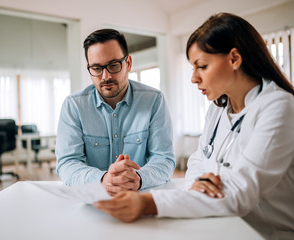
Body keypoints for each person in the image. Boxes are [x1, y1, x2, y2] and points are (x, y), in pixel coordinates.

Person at [94, 13, 294, 239]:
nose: (194, 78)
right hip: (220, 224)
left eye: (202, 66)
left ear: (234, 58)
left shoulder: (279, 107)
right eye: (192, 67)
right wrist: (198, 184)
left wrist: (148, 203)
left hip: (269, 233)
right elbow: (198, 162)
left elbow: (239, 193)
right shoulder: (218, 109)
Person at [55, 29, 175, 196]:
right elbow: (67, 163)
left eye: (113, 65)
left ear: (129, 63)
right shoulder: (74, 106)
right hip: (91, 198)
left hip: (140, 197)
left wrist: (138, 178)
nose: (105, 76)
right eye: (96, 68)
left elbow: (164, 159)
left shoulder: (154, 100)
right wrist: (104, 179)